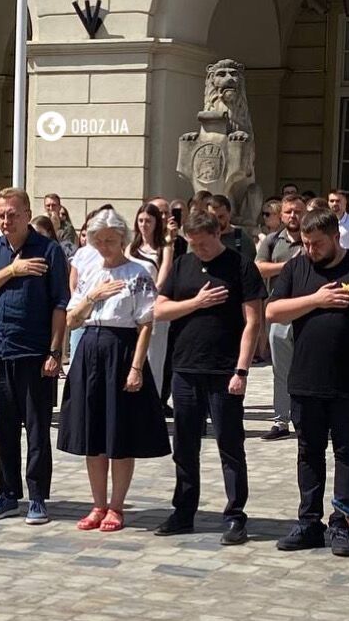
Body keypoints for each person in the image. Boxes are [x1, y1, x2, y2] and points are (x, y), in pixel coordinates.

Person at [266, 207, 349, 557]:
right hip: (306, 380)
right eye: (306, 243)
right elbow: (272, 311)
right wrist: (316, 299)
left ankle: (342, 524)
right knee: (308, 452)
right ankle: (309, 522)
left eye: (317, 243)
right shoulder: (298, 267)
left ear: (335, 237)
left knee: (348, 453)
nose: (311, 249)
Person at [152, 208, 263, 542]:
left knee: (230, 445)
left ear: (218, 234)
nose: (198, 249)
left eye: (203, 243)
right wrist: (196, 303)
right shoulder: (183, 264)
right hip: (185, 368)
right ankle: (184, 511)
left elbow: (253, 321)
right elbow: (159, 308)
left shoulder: (240, 265)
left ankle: (235, 516)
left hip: (223, 370)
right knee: (185, 445)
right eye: (192, 243)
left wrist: (241, 370)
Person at [53, 211, 167, 533]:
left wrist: (136, 367)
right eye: (98, 241)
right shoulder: (88, 269)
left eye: (110, 241)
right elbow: (72, 319)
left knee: (119, 432)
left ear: (122, 240)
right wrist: (92, 296)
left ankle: (117, 505)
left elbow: (146, 324)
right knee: (93, 433)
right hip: (89, 348)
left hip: (122, 349)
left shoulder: (138, 273)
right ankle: (97, 503)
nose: (104, 246)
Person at [0, 188, 69, 526]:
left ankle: (38, 497)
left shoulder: (49, 251)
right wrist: (12, 271)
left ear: (27, 214)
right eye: (1, 214)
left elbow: (61, 304)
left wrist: (55, 351)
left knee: (38, 429)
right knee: (4, 427)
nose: (6, 220)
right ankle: (8, 494)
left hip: (35, 352)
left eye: (13, 214)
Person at [256, 193, 306, 441]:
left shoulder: (313, 239)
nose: (293, 216)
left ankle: (307, 419)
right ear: (282, 215)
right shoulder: (273, 241)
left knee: (308, 368)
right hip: (279, 312)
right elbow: (259, 267)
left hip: (309, 312)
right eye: (289, 212)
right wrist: (289, 266)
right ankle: (281, 420)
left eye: (298, 211)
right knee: (281, 370)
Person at [129, 202, 174, 398]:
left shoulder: (164, 247)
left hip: (153, 307)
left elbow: (164, 273)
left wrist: (154, 293)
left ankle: (154, 403)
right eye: (140, 220)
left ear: (156, 222)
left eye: (148, 220)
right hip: (130, 308)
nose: (144, 224)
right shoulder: (131, 247)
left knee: (154, 359)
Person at [206, 194, 257, 262]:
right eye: (213, 217)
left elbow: (248, 267)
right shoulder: (201, 237)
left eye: (221, 217)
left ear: (229, 214)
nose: (217, 221)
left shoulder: (241, 238)